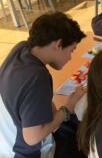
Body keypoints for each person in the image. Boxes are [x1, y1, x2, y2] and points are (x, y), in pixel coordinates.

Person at [0, 12, 86, 158]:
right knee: (84, 141)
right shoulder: (37, 77)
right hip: (25, 153)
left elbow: (28, 99)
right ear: (59, 44)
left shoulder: (22, 48)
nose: (70, 57)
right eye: (71, 50)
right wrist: (67, 109)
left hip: (5, 143)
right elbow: (32, 138)